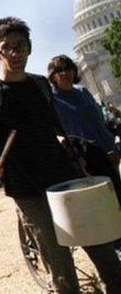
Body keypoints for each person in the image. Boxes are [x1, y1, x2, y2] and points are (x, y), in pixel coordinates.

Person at [0, 17, 121, 294]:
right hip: (29, 191)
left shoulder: (42, 85)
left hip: (66, 180)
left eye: (22, 46)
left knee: (108, 260)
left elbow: (54, 128)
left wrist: (71, 152)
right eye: (8, 48)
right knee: (62, 274)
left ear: (30, 47)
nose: (16, 54)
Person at [47, 55, 121, 195]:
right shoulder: (52, 100)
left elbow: (99, 122)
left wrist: (111, 148)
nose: (65, 73)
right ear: (53, 76)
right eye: (59, 70)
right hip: (84, 160)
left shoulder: (82, 91)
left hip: (106, 152)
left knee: (116, 193)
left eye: (68, 68)